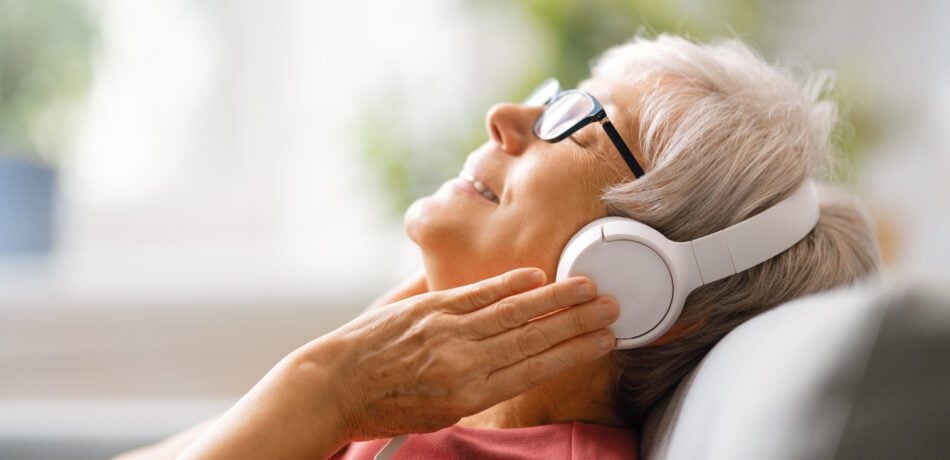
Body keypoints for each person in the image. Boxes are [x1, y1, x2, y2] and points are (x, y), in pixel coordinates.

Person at [118, 34, 880, 459]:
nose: (506, 117)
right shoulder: (404, 399)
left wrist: (322, 390)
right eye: (555, 96)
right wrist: (331, 381)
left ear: (637, 278)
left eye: (576, 118)